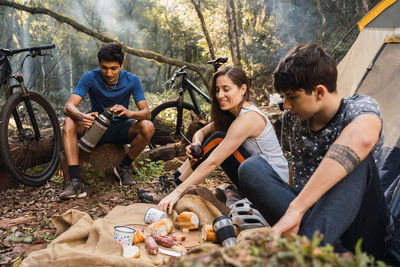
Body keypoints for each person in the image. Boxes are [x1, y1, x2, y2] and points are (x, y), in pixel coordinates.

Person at [238, 44, 390, 259]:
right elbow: (293, 169)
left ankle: (310, 251)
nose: (287, 105)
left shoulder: (358, 107)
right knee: (251, 168)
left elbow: (363, 138)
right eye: (284, 98)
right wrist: (292, 205)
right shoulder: (292, 119)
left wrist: (295, 208)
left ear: (319, 92)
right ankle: (331, 255)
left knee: (356, 157)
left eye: (292, 97)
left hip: (363, 228)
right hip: (311, 218)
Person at [138, 66, 289, 214]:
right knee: (215, 138)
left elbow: (213, 161)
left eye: (226, 89)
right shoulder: (234, 114)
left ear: (243, 89)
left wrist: (178, 192)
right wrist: (197, 143)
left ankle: (174, 186)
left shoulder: (248, 118)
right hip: (260, 180)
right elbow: (201, 131)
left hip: (274, 187)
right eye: (217, 90)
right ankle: (173, 180)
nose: (220, 95)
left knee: (217, 139)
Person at [59, 42, 154, 199]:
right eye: (104, 68)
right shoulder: (90, 77)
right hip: (96, 129)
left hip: (122, 128)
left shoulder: (132, 80)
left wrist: (129, 113)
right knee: (69, 121)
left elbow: (146, 113)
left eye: (113, 68)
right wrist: (81, 117)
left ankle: (123, 167)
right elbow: (68, 106)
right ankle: (75, 182)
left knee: (148, 126)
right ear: (99, 65)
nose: (108, 73)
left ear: (122, 65)